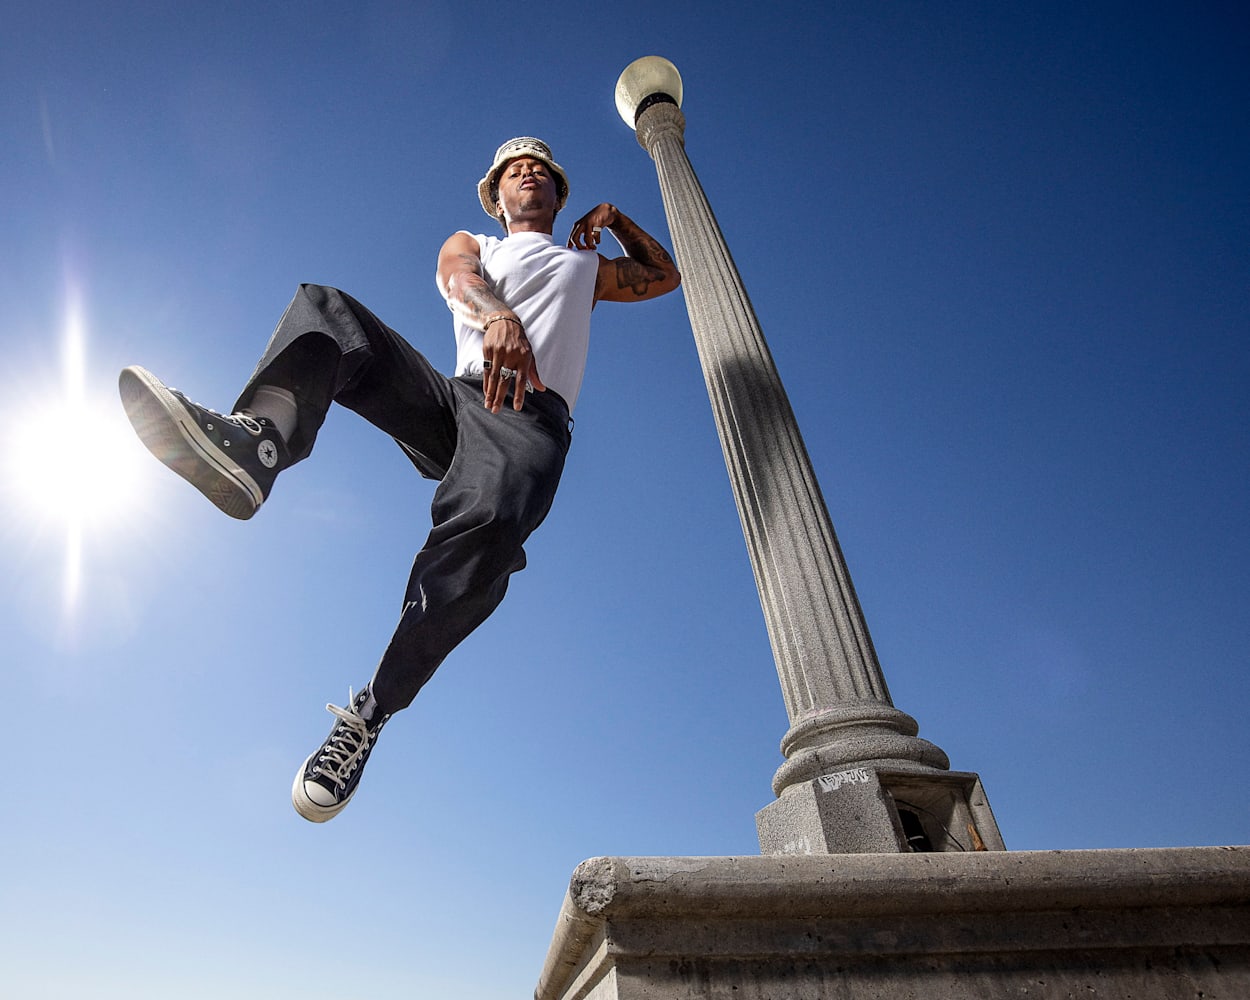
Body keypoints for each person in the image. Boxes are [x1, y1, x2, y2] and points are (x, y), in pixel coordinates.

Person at [118, 137, 680, 822]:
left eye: (542, 172)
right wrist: (497, 313)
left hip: (527, 420)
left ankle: (370, 712)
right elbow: (456, 279)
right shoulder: (473, 242)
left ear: (559, 197)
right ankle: (259, 443)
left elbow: (665, 274)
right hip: (454, 401)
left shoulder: (583, 266)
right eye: (513, 171)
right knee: (329, 310)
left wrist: (616, 220)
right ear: (496, 196)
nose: (528, 174)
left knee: (491, 531)